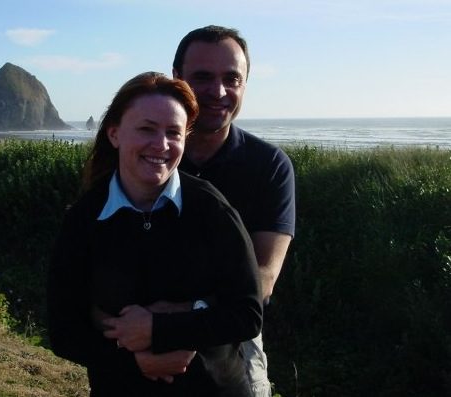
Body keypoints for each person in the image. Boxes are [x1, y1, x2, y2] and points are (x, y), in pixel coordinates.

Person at [47, 71, 263, 397]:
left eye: (173, 133)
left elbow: (247, 315)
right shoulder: (84, 218)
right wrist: (136, 362)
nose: (161, 144)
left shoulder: (212, 210)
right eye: (147, 129)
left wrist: (161, 331)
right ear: (115, 134)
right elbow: (64, 330)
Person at [134, 26, 296, 396]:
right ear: (178, 79)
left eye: (232, 79)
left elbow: (264, 278)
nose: (218, 91)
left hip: (232, 336)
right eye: (202, 77)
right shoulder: (145, 155)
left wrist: (178, 319)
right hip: (137, 326)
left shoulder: (268, 165)